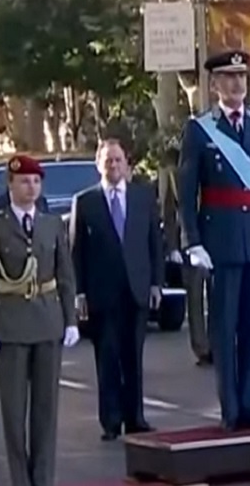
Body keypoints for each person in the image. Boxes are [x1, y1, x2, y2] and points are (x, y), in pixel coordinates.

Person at [177, 49, 250, 429]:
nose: (237, 84)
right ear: (214, 85)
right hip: (221, 241)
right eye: (229, 77)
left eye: (242, 77)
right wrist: (193, 241)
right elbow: (188, 189)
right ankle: (230, 409)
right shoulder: (200, 129)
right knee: (225, 329)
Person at [0, 155, 79, 486]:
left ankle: (44, 478)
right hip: (10, 325)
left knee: (46, 411)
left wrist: (71, 320)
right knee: (14, 412)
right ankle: (21, 479)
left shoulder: (52, 224)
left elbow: (65, 275)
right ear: (10, 185)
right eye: (24, 181)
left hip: (48, 322)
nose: (31, 187)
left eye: (36, 182)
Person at [70, 139, 162, 440]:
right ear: (99, 165)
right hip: (102, 294)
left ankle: (135, 417)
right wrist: (79, 293)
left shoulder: (143, 197)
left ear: (127, 164)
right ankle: (110, 421)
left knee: (133, 357)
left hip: (136, 290)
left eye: (118, 160)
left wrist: (155, 284)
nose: (114, 166)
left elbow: (154, 245)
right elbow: (76, 252)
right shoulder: (85, 202)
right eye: (108, 161)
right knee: (107, 358)